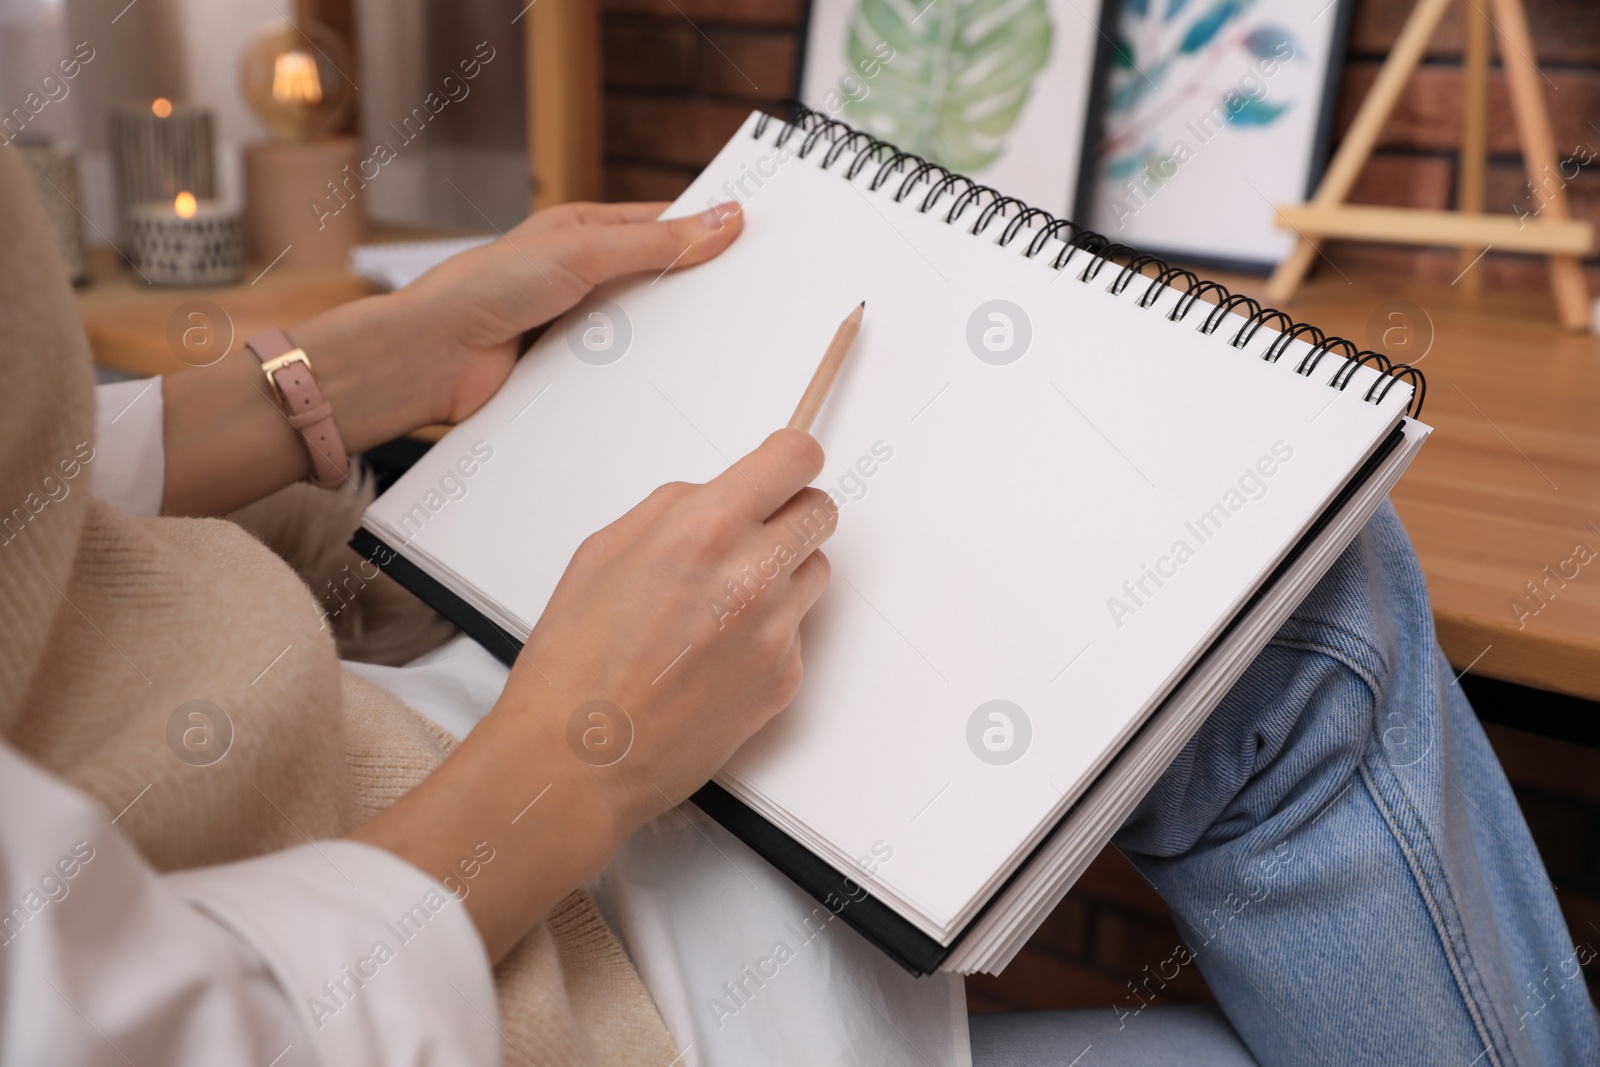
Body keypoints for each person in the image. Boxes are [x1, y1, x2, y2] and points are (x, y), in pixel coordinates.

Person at [0, 142, 1592, 1067]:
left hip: (369, 757)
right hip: (506, 944)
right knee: (1308, 625)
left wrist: (351, 372)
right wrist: (580, 755)